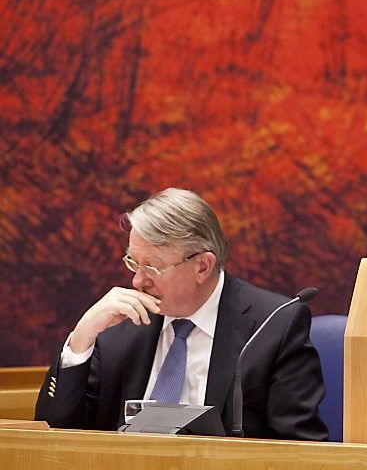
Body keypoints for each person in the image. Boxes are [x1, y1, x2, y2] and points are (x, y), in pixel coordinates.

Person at [34, 188, 329, 441]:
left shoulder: (273, 325)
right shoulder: (117, 325)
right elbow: (55, 432)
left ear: (202, 266)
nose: (138, 281)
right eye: (133, 263)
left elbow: (300, 450)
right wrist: (82, 337)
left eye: (152, 268)